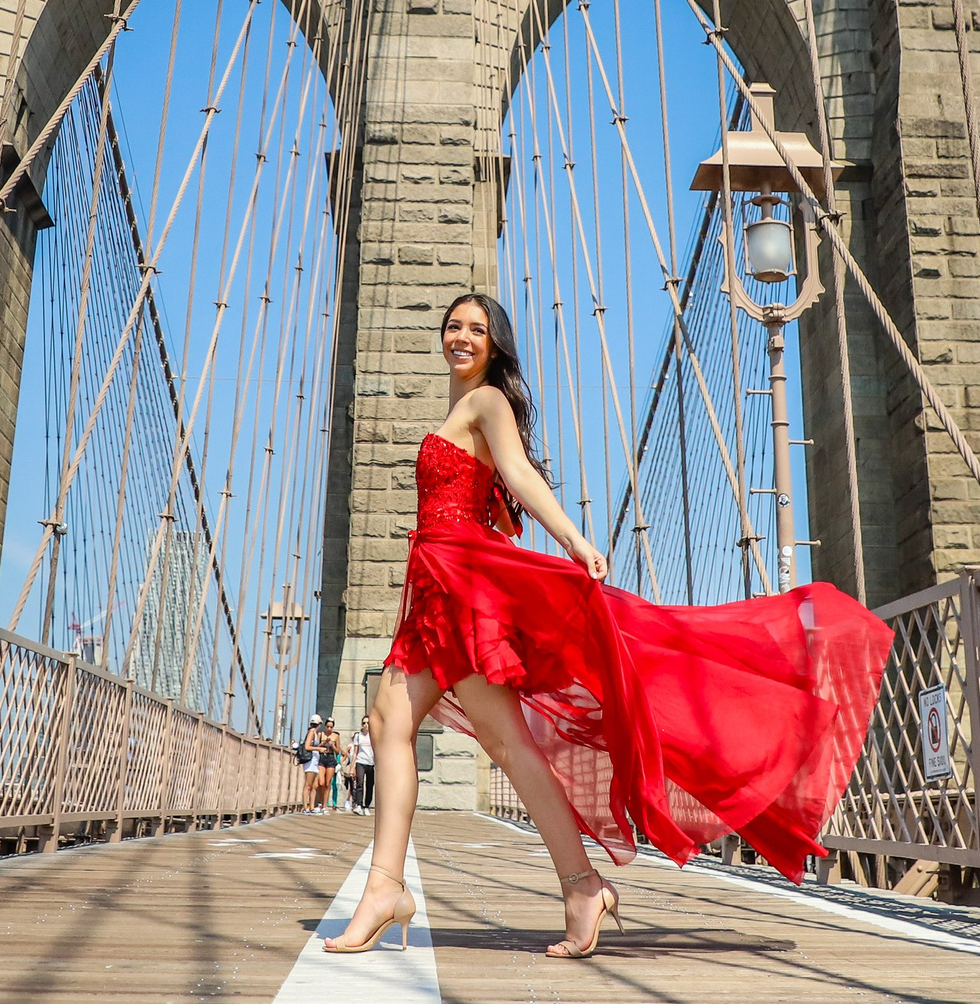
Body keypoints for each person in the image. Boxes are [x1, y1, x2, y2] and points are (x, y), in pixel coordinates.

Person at [321, 293, 891, 961]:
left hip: (459, 593)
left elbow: (518, 476)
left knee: (461, 737)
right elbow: (494, 509)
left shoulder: (484, 403)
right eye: (454, 325)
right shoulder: (462, 409)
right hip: (439, 586)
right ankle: (549, 885)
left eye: (477, 329)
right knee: (416, 728)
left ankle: (503, 885)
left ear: (496, 345)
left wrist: (572, 538)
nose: (462, 336)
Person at [298, 716, 328, 809]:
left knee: (315, 785)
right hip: (310, 761)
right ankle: (305, 807)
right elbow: (307, 747)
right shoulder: (311, 732)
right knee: (308, 785)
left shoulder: (314, 733)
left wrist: (321, 746)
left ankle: (311, 807)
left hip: (315, 760)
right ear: (318, 724)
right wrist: (319, 748)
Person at [348, 721, 375, 812]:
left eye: (368, 723)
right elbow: (355, 752)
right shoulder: (358, 736)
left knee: (370, 785)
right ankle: (359, 804)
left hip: (371, 762)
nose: (366, 725)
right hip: (360, 761)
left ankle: (366, 806)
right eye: (364, 723)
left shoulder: (373, 735)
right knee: (359, 783)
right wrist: (352, 766)